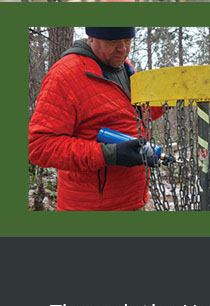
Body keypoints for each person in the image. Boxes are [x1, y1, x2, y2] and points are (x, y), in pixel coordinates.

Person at [28, 27, 160, 211]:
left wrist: (167, 99)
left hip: (134, 200)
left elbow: (131, 115)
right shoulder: (65, 75)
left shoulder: (124, 68)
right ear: (91, 38)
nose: (123, 49)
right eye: (113, 42)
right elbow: (39, 146)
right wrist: (108, 154)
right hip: (90, 207)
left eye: (128, 40)